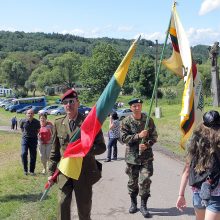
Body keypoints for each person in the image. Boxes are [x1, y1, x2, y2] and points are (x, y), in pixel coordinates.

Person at [48, 88, 106, 220]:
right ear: (63, 105)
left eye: (72, 101)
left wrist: (86, 149)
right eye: (66, 102)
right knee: (62, 206)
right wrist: (51, 174)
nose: (69, 105)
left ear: (78, 103)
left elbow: (102, 147)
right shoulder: (58, 123)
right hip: (65, 172)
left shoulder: (89, 123)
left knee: (84, 211)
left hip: (83, 174)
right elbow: (54, 151)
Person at [176, 110, 220, 220]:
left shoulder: (195, 143)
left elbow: (186, 171)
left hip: (198, 191)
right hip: (215, 193)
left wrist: (181, 195)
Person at [120, 98, 158, 218]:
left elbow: (154, 136)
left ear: (141, 106)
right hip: (132, 158)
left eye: (139, 105)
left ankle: (143, 206)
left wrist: (147, 144)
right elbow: (123, 138)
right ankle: (133, 203)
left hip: (146, 158)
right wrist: (138, 136)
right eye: (134, 106)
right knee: (133, 182)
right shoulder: (126, 121)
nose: (137, 108)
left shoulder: (148, 120)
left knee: (145, 181)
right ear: (131, 108)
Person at [20, 109, 40, 175]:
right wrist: (24, 134)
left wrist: (34, 135)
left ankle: (32, 171)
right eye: (28, 113)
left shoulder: (37, 122)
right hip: (25, 139)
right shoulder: (23, 121)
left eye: (31, 113)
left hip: (33, 139)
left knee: (33, 155)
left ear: (33, 114)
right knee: (23, 153)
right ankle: (25, 170)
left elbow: (38, 130)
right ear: (26, 114)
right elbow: (21, 128)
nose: (30, 114)